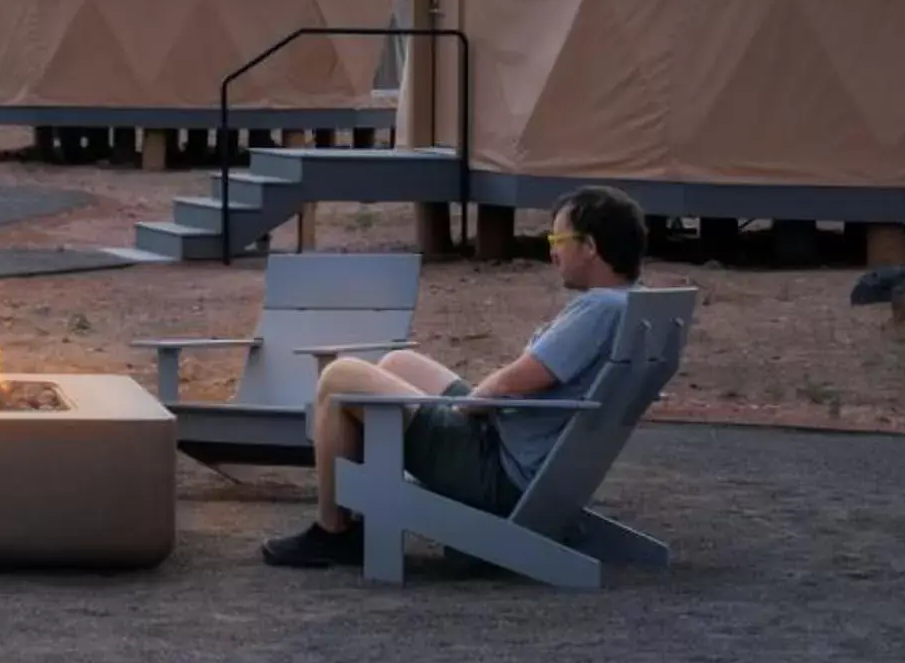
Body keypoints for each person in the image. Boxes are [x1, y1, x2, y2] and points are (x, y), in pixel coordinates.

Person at [263, 186, 646, 569]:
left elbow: (517, 380)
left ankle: (334, 530)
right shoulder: (630, 305)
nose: (552, 252)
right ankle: (363, 512)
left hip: (499, 474)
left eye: (558, 239)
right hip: (527, 454)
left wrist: (467, 406)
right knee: (400, 362)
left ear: (590, 246)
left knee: (339, 377)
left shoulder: (597, 309)